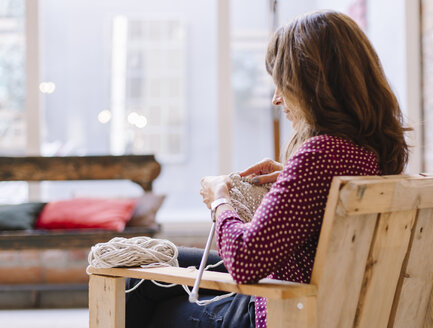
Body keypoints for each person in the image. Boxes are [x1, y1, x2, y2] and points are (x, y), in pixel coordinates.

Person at [126, 9, 410, 328]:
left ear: (314, 85)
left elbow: (246, 262)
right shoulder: (372, 151)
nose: (276, 99)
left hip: (283, 311)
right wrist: (291, 174)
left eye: (283, 84)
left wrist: (220, 200)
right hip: (315, 296)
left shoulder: (319, 153)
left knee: (133, 286)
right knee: (146, 255)